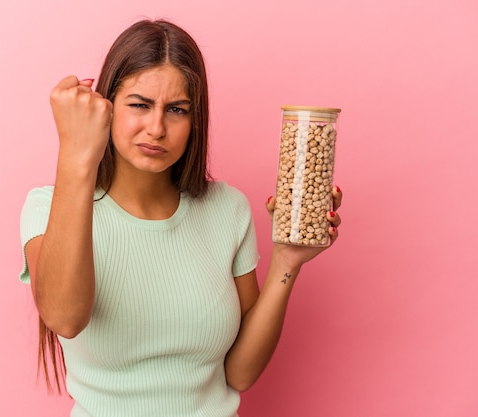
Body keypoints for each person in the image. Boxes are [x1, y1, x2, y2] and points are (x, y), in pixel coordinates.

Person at [19, 19, 342, 417]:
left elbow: (239, 374)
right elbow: (65, 319)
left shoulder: (226, 208)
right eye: (139, 104)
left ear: (195, 120)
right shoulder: (48, 207)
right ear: (107, 105)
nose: (156, 128)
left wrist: (287, 260)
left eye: (176, 110)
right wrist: (76, 150)